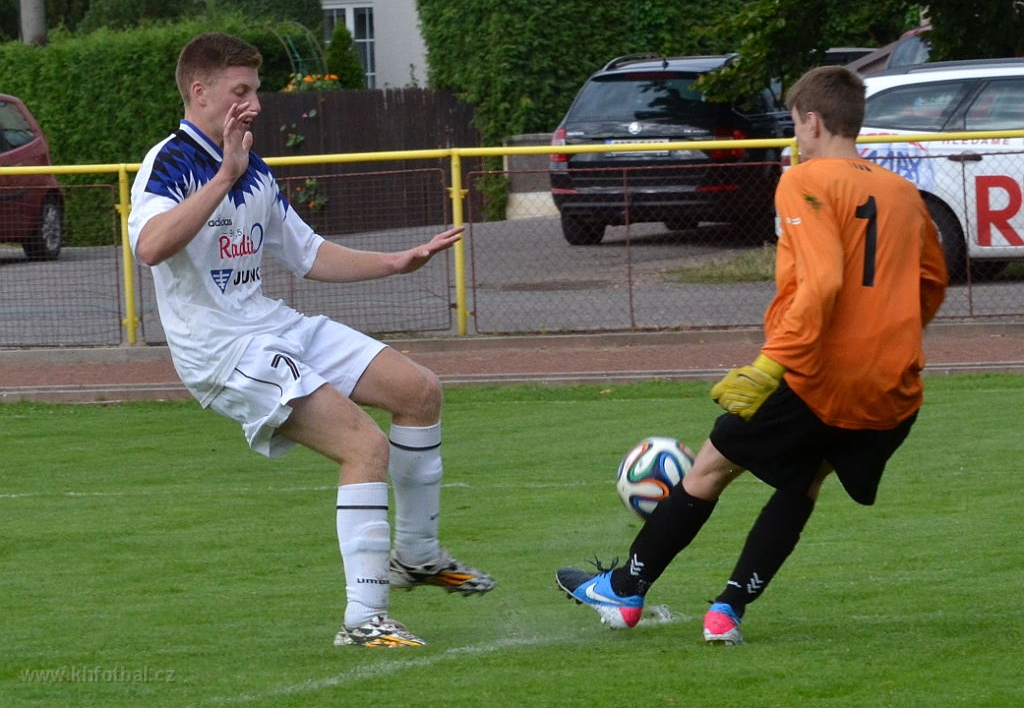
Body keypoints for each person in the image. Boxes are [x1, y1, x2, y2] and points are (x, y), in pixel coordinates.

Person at [556, 65, 948, 644]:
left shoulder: (804, 179)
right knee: (803, 481)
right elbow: (933, 281)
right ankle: (727, 610)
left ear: (812, 122)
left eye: (794, 124)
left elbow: (822, 282)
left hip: (816, 375)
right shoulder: (903, 192)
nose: (795, 136)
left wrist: (769, 366)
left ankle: (625, 590)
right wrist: (886, 332)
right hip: (891, 388)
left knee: (710, 467)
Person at [128, 32, 494, 649]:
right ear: (200, 91)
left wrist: (395, 262)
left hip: (270, 324)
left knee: (418, 390)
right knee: (364, 446)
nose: (255, 105)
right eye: (241, 91)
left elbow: (309, 253)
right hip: (223, 352)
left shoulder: (253, 167)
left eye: (255, 91)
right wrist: (222, 176)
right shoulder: (168, 163)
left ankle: (417, 555)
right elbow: (151, 247)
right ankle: (363, 620)